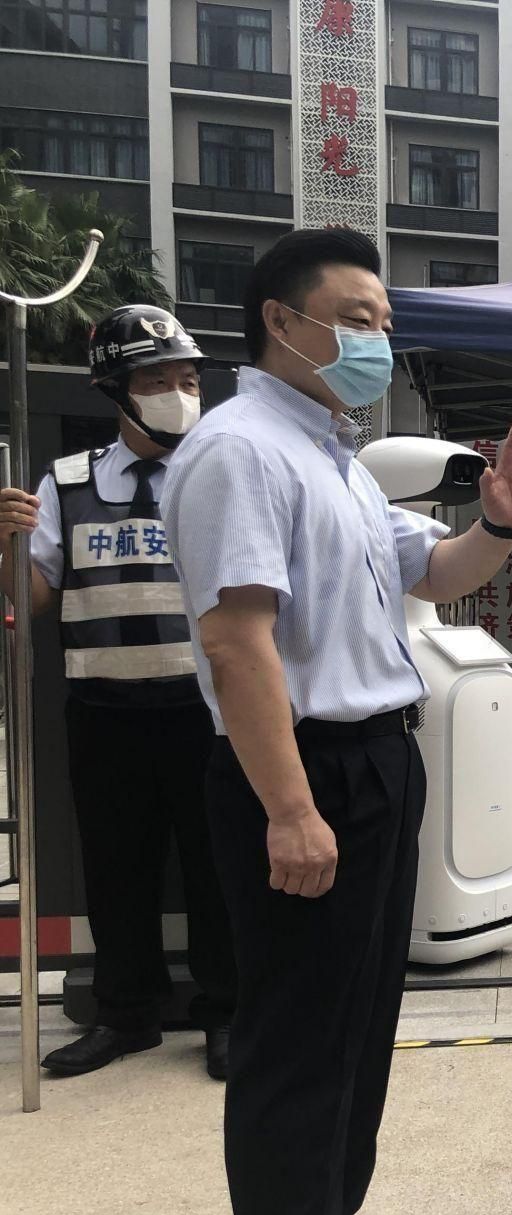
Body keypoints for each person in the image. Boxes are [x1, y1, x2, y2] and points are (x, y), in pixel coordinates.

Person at [162, 228, 512, 1215]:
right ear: (282, 323)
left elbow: (435, 572)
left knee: (355, 1025)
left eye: (385, 321)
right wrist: (289, 810)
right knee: (295, 1044)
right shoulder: (240, 452)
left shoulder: (330, 456)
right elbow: (237, 643)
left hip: (376, 762)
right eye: (355, 318)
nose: (376, 340)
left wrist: (502, 519)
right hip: (305, 772)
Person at [0, 305, 238, 1081]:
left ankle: (226, 1015)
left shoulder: (221, 474)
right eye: (158, 380)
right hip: (104, 712)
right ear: (117, 390)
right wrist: (6, 547)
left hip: (208, 710)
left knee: (217, 869)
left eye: (189, 379)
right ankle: (126, 1016)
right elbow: (35, 598)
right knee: (116, 870)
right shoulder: (66, 483)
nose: (179, 393)